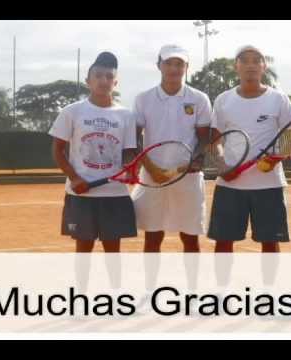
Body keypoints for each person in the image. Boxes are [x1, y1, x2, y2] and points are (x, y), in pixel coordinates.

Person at [131, 45, 211, 311]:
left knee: (190, 238)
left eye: (180, 64)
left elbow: (203, 138)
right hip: (152, 176)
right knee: (153, 237)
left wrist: (195, 161)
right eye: (169, 63)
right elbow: (135, 137)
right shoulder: (143, 99)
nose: (175, 69)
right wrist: (151, 167)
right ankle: (150, 292)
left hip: (187, 179)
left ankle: (192, 293)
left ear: (186, 68)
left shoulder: (199, 99)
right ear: (159, 65)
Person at [207, 45, 291, 293]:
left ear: (264, 67)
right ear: (237, 66)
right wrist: (223, 165)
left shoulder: (278, 99)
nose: (251, 65)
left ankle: (268, 293)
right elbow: (215, 140)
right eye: (245, 60)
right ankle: (221, 293)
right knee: (223, 242)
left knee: (270, 242)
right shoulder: (224, 100)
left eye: (257, 60)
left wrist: (276, 157)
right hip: (230, 186)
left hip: (269, 185)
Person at [49, 51, 137, 292]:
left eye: (109, 76)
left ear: (115, 82)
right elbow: (57, 150)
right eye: (98, 75)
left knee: (113, 250)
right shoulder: (72, 111)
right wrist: (75, 177)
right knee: (83, 250)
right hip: (82, 195)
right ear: (88, 81)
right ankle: (81, 298)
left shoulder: (126, 115)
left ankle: (116, 297)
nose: (103, 80)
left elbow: (129, 152)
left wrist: (130, 169)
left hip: (114, 195)